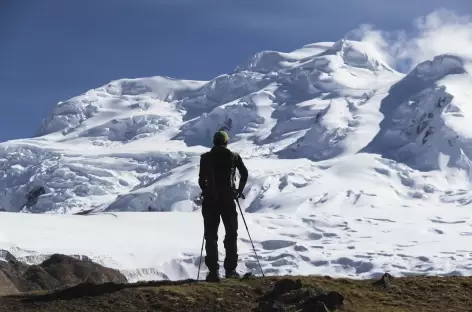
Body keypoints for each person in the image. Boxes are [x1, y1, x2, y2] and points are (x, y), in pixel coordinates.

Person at [198, 130, 248, 282]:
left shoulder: (205, 158)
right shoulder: (234, 157)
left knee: (211, 235)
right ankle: (230, 270)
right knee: (231, 234)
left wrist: (206, 191)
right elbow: (244, 174)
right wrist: (238, 191)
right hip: (228, 200)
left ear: (214, 141)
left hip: (210, 201)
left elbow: (201, 179)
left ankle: (213, 272)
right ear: (226, 142)